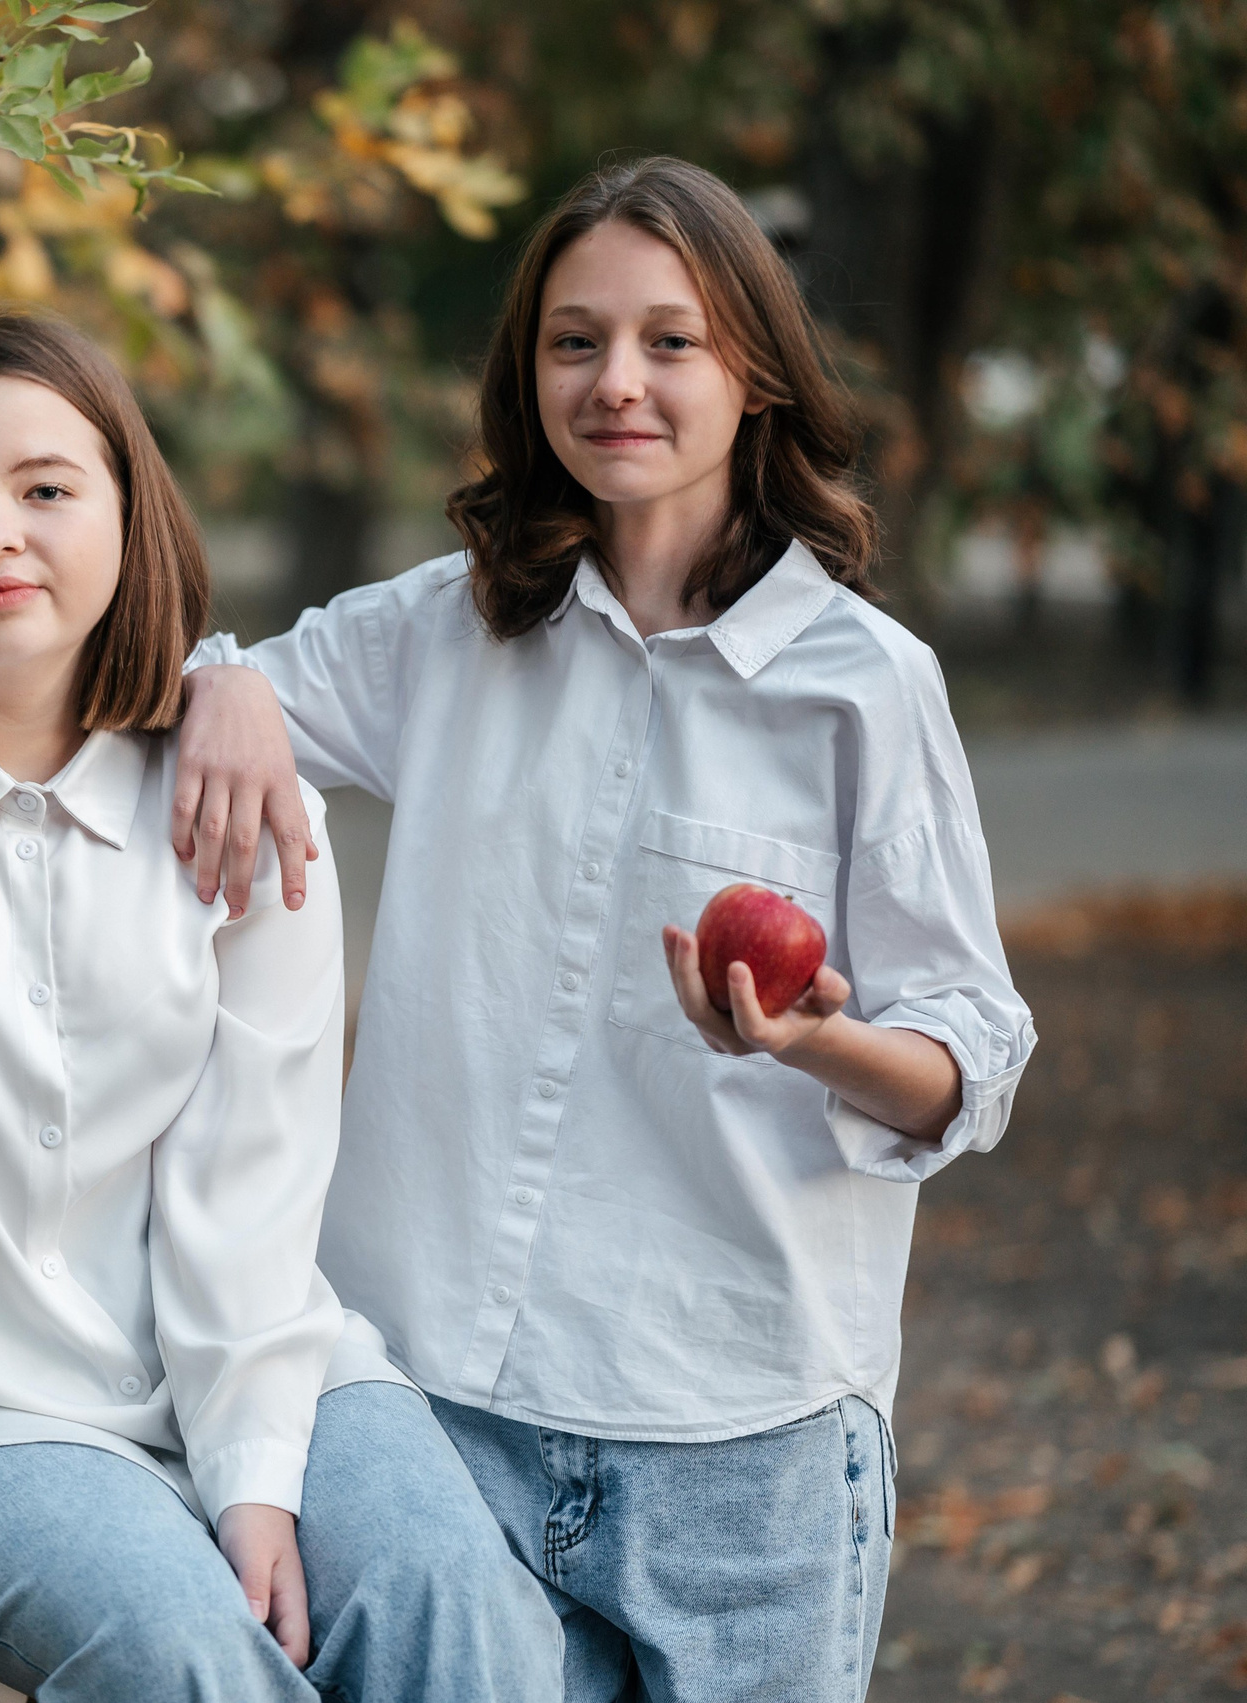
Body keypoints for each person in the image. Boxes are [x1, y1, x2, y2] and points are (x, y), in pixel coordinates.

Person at [161, 158, 1039, 1698]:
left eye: (669, 341)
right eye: (574, 343)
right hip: (434, 1418)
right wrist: (226, 674)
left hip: (743, 1443)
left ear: (754, 372)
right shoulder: (448, 630)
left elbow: (971, 1056)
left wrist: (814, 1037)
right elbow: (179, 692)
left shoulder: (863, 683)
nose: (615, 381)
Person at [0, 312, 560, 1703]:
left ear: (128, 510)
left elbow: (254, 1183)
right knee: (192, 1660)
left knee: (467, 1618)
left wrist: (249, 1471)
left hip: (247, 1348)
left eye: (47, 489)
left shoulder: (247, 807)